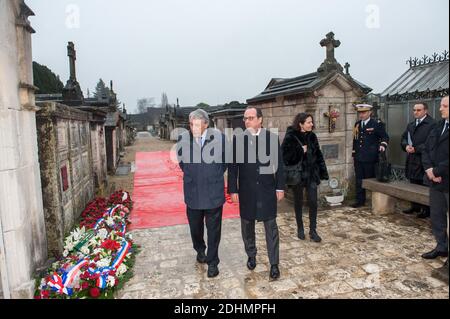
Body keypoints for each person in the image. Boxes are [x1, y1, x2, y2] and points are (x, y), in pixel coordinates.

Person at [228, 107, 285, 280]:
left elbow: (279, 166)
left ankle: (274, 263)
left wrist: (280, 187)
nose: (247, 121)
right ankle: (251, 255)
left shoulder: (272, 139)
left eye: (251, 118)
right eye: (245, 118)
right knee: (247, 227)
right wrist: (233, 189)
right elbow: (232, 169)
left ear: (260, 119)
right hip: (247, 192)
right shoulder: (238, 141)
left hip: (267, 191)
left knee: (271, 228)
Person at [176, 109, 227, 278]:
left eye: (197, 124)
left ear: (206, 124)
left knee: (214, 230)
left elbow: (225, 161)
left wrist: (212, 173)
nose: (193, 127)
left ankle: (213, 262)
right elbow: (182, 162)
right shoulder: (183, 139)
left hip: (213, 192)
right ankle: (200, 250)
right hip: (193, 192)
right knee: (195, 228)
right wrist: (194, 174)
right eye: (191, 124)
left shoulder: (219, 138)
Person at [281, 113, 329, 242]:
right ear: (301, 124)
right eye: (309, 122)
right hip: (298, 175)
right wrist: (299, 150)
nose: (312, 124)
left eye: (311, 122)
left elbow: (318, 154)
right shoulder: (291, 136)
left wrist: (323, 171)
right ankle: (300, 228)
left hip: (311, 174)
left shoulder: (312, 136)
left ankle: (313, 230)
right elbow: (284, 157)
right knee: (299, 202)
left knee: (313, 202)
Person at [421, 96, 449, 273]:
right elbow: (426, 148)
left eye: (445, 106)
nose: (441, 108)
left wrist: (437, 171)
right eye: (441, 105)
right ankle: (441, 247)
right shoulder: (438, 126)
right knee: (437, 217)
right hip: (435, 182)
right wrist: (430, 169)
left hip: (446, 179)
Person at [400, 102, 436, 218]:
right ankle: (414, 206)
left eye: (418, 110)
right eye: (414, 110)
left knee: (424, 184)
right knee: (413, 182)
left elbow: (431, 143)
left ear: (426, 111)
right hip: (411, 158)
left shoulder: (433, 124)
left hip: (424, 160)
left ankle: (426, 210)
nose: (415, 112)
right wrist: (406, 146)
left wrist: (416, 149)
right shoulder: (411, 124)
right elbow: (404, 137)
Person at [351, 104, 389, 208]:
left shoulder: (376, 124)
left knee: (371, 180)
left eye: (363, 112)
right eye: (360, 113)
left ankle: (374, 201)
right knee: (359, 180)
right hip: (358, 157)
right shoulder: (357, 124)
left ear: (369, 113)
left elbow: (385, 137)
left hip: (371, 158)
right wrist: (354, 154)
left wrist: (383, 145)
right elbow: (355, 140)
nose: (361, 115)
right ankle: (360, 200)